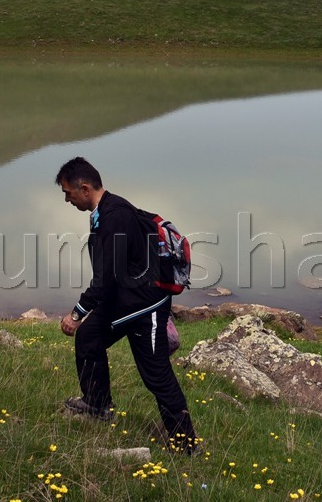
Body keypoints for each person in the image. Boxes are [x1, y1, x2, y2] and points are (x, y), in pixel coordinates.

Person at [56, 156, 198, 453]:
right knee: (89, 337)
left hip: (146, 303)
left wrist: (77, 313)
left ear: (84, 188)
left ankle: (187, 444)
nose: (67, 200)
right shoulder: (105, 211)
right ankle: (97, 405)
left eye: (68, 193)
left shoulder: (114, 217)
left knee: (156, 374)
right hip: (126, 298)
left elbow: (106, 278)